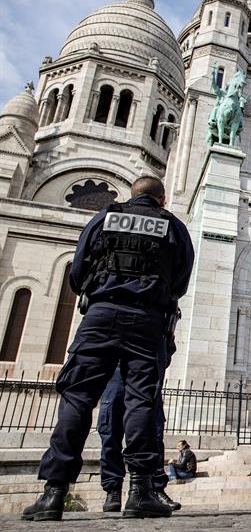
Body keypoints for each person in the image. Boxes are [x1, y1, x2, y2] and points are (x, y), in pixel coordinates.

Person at [22, 176, 194, 522]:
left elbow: (77, 270)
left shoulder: (105, 216)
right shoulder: (173, 226)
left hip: (100, 315)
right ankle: (141, 492)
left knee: (77, 399)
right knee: (141, 401)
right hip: (148, 320)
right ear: (162, 200)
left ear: (132, 194)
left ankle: (53, 493)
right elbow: (180, 281)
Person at [97, 368, 178, 513]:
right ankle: (113, 490)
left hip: (145, 369)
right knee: (110, 431)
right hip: (115, 368)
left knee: (152, 432)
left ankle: (155, 488)